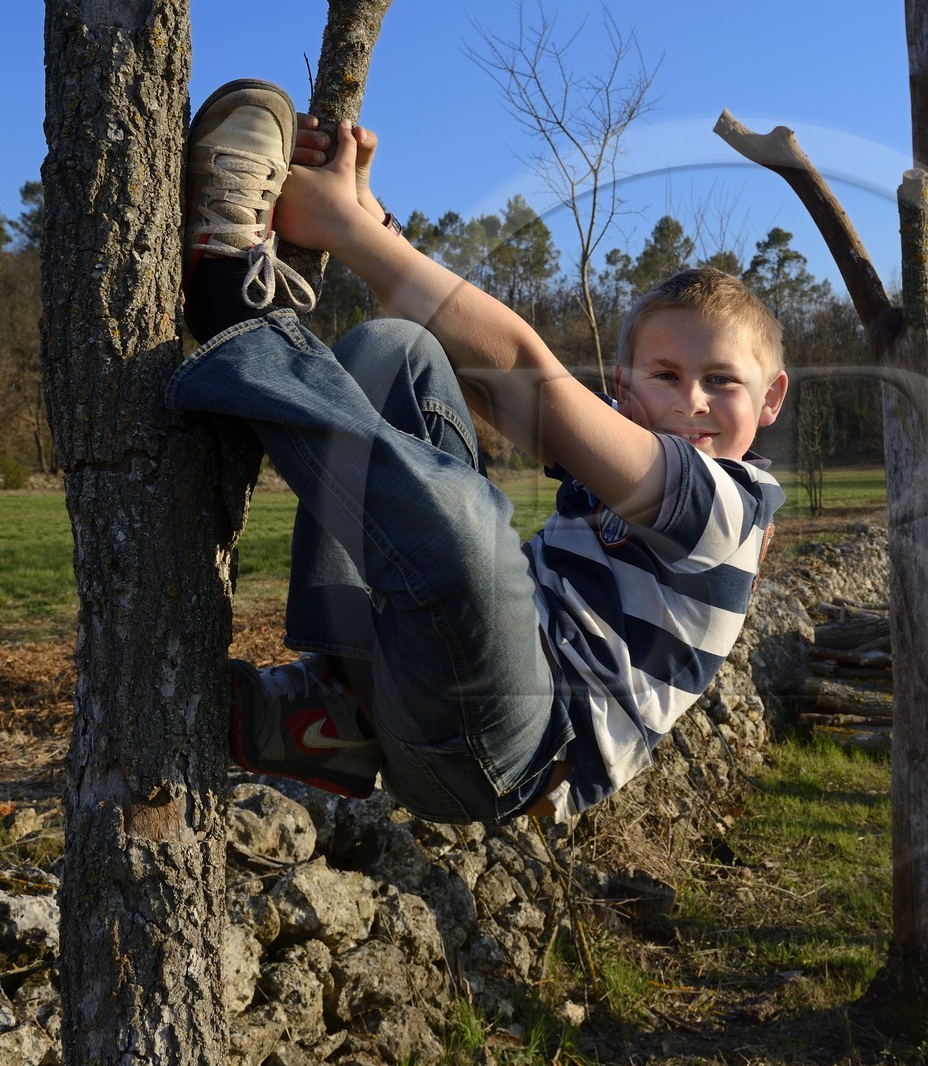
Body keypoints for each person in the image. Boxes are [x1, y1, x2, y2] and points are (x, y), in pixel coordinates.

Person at [168, 80, 788, 824]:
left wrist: (349, 235)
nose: (693, 401)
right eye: (667, 376)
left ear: (771, 397)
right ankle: (338, 702)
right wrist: (372, 218)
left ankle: (231, 311)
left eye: (722, 381)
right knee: (394, 355)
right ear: (624, 390)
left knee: (470, 521)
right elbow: (498, 386)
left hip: (511, 749)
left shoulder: (727, 509)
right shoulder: (635, 463)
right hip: (442, 674)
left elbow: (535, 374)